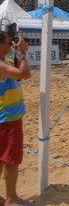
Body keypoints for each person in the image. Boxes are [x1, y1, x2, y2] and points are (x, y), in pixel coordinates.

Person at [0, 30, 32, 206]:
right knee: (11, 159)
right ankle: (11, 198)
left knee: (1, 158)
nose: (9, 45)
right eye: (7, 42)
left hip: (5, 118)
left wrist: (21, 50)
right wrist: (20, 52)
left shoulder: (4, 61)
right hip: (8, 118)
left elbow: (20, 70)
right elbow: (25, 74)